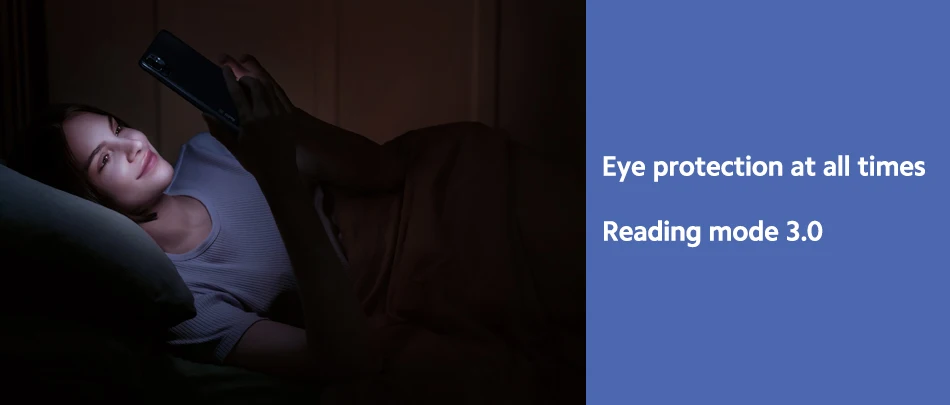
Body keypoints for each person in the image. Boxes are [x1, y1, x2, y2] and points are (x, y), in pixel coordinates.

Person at [8, 55, 386, 382]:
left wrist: (287, 119)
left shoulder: (209, 149)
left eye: (118, 128)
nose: (134, 144)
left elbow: (382, 169)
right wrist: (278, 177)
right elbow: (342, 360)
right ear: (82, 203)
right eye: (105, 159)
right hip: (386, 294)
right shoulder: (183, 304)